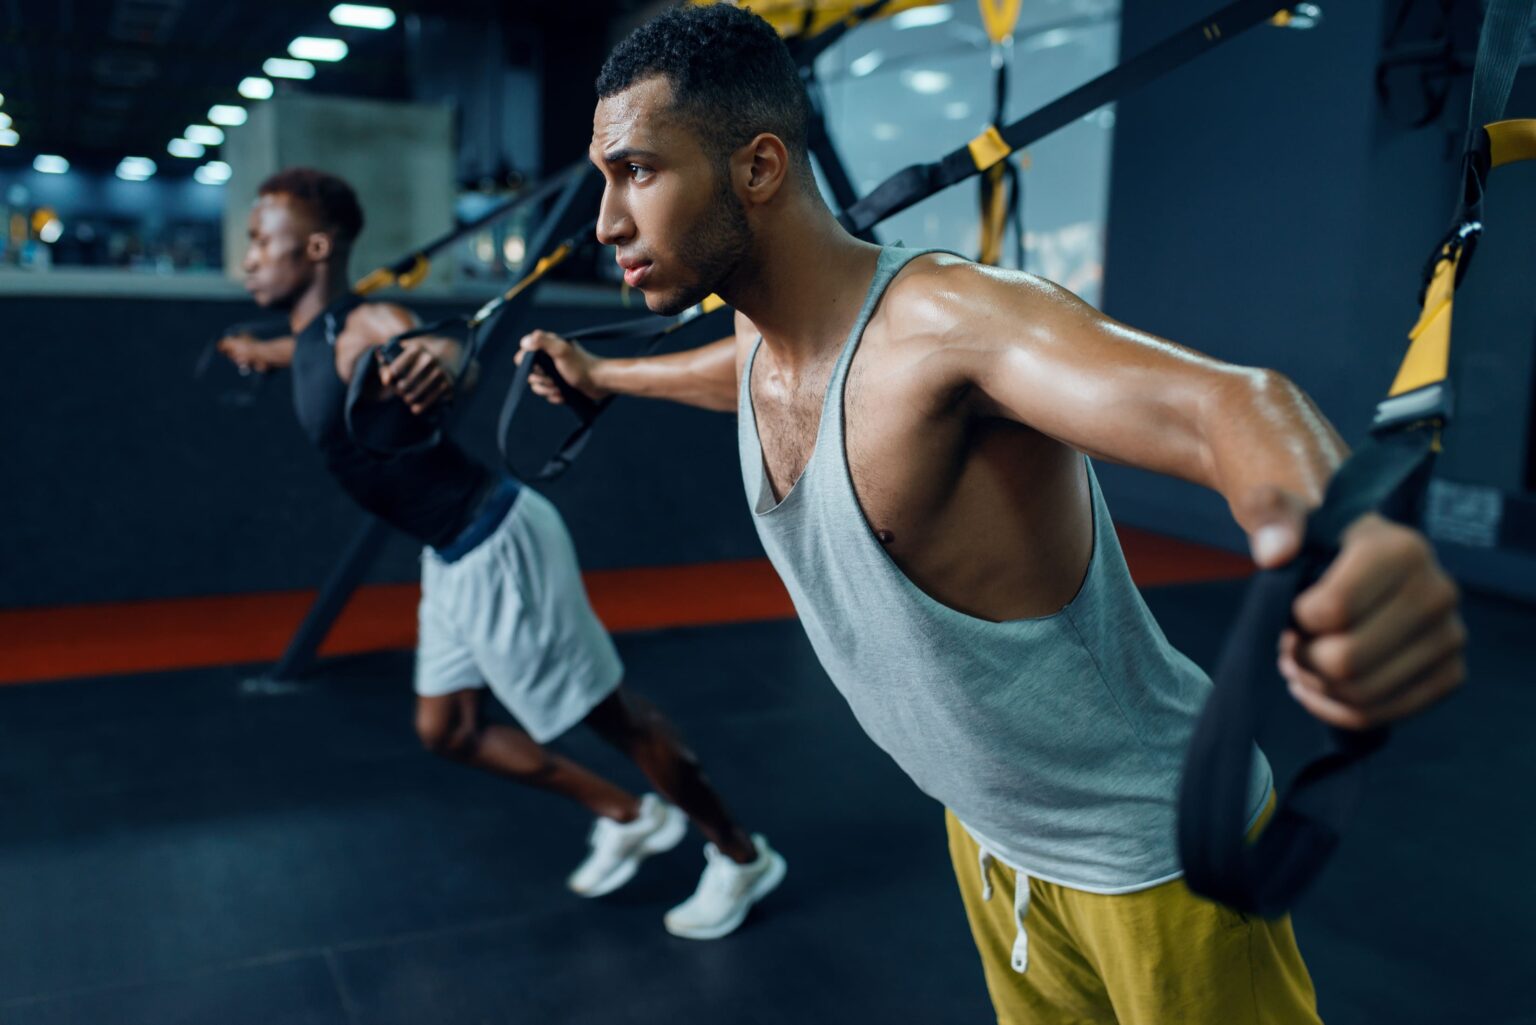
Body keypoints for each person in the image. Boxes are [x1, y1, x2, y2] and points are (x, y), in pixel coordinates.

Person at [517, 5, 1466, 1020]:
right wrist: (607, 374)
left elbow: (1227, 406)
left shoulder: (951, 329)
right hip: (990, 835)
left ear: (757, 168)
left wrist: (1343, 544)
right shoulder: (765, 344)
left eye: (639, 171)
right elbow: (733, 370)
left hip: (1151, 853)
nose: (609, 221)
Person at [218, 166, 785, 940]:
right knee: (445, 730)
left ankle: (740, 854)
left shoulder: (367, 325)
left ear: (315, 247)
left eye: (261, 240)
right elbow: (298, 355)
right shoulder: (311, 336)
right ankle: (627, 812)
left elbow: (445, 355)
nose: (248, 255)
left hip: (498, 542)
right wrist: (252, 349)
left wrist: (446, 365)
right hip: (448, 556)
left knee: (611, 716)